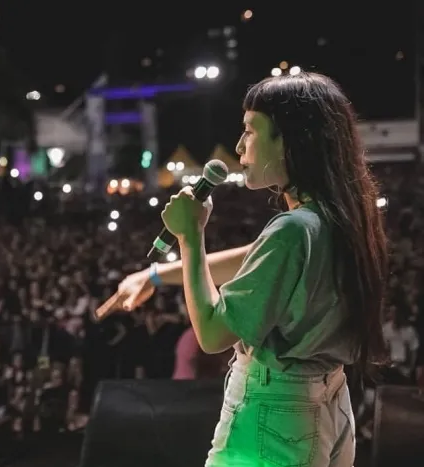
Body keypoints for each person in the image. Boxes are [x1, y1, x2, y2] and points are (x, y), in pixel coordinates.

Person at [115, 72, 389, 466]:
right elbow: (252, 257)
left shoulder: (292, 229)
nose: (240, 146)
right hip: (326, 404)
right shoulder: (336, 219)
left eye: (250, 130)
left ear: (291, 141)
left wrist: (191, 235)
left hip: (275, 413)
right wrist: (154, 276)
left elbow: (212, 334)